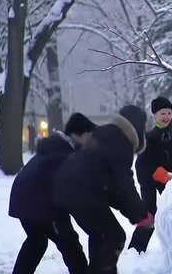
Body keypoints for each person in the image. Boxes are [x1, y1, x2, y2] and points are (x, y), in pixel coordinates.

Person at [53, 105, 153, 274]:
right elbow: (125, 185)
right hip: (81, 193)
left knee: (100, 234)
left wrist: (134, 213)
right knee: (115, 236)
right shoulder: (121, 143)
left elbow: (111, 188)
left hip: (67, 190)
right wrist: (141, 215)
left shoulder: (104, 134)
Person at [9, 113, 96, 274]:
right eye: (89, 137)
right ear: (78, 135)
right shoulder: (65, 153)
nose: (90, 142)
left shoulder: (57, 147)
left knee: (37, 241)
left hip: (22, 200)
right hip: (42, 205)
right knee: (70, 243)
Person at [129, 96, 172, 253]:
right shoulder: (150, 137)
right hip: (148, 176)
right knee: (149, 212)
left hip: (169, 174)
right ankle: (135, 250)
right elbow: (142, 164)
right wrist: (160, 174)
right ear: (154, 115)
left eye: (169, 112)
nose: (167, 117)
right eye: (162, 113)